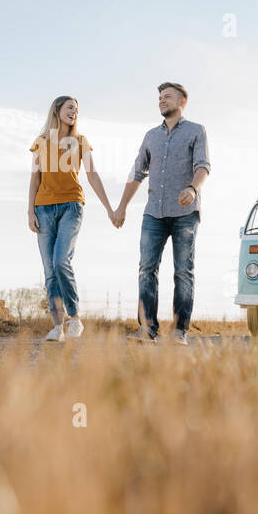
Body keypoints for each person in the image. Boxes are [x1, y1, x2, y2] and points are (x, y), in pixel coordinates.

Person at [112, 82, 210, 345]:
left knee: (183, 271)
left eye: (167, 97)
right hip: (153, 213)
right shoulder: (150, 136)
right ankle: (147, 329)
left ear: (182, 102)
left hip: (185, 212)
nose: (161, 101)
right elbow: (137, 174)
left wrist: (192, 187)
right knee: (146, 268)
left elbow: (203, 167)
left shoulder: (196, 131)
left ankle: (180, 331)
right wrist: (121, 207)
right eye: (159, 98)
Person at [28, 95, 116, 342]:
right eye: (70, 108)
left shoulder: (80, 141)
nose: (74, 112)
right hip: (43, 209)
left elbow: (93, 175)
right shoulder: (41, 142)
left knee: (60, 261)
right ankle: (58, 327)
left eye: (77, 109)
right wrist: (29, 212)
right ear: (57, 110)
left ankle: (75, 317)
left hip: (71, 206)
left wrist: (110, 208)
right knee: (49, 271)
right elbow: (35, 179)